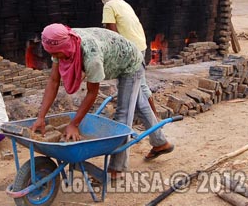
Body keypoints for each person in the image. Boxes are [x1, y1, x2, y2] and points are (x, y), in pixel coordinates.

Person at [30, 24, 173, 179]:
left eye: (58, 55)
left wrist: (74, 124)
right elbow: (53, 80)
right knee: (140, 104)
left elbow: (92, 93)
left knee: (123, 113)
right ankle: (160, 143)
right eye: (53, 55)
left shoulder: (92, 57)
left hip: (131, 64)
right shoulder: (60, 43)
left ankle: (116, 169)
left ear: (66, 46)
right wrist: (41, 117)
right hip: (117, 56)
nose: (56, 58)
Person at [98, 0, 159, 117]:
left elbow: (113, 35)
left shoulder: (108, 6)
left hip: (131, 49)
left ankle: (151, 117)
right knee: (140, 82)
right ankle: (151, 116)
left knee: (137, 85)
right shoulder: (123, 3)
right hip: (140, 44)